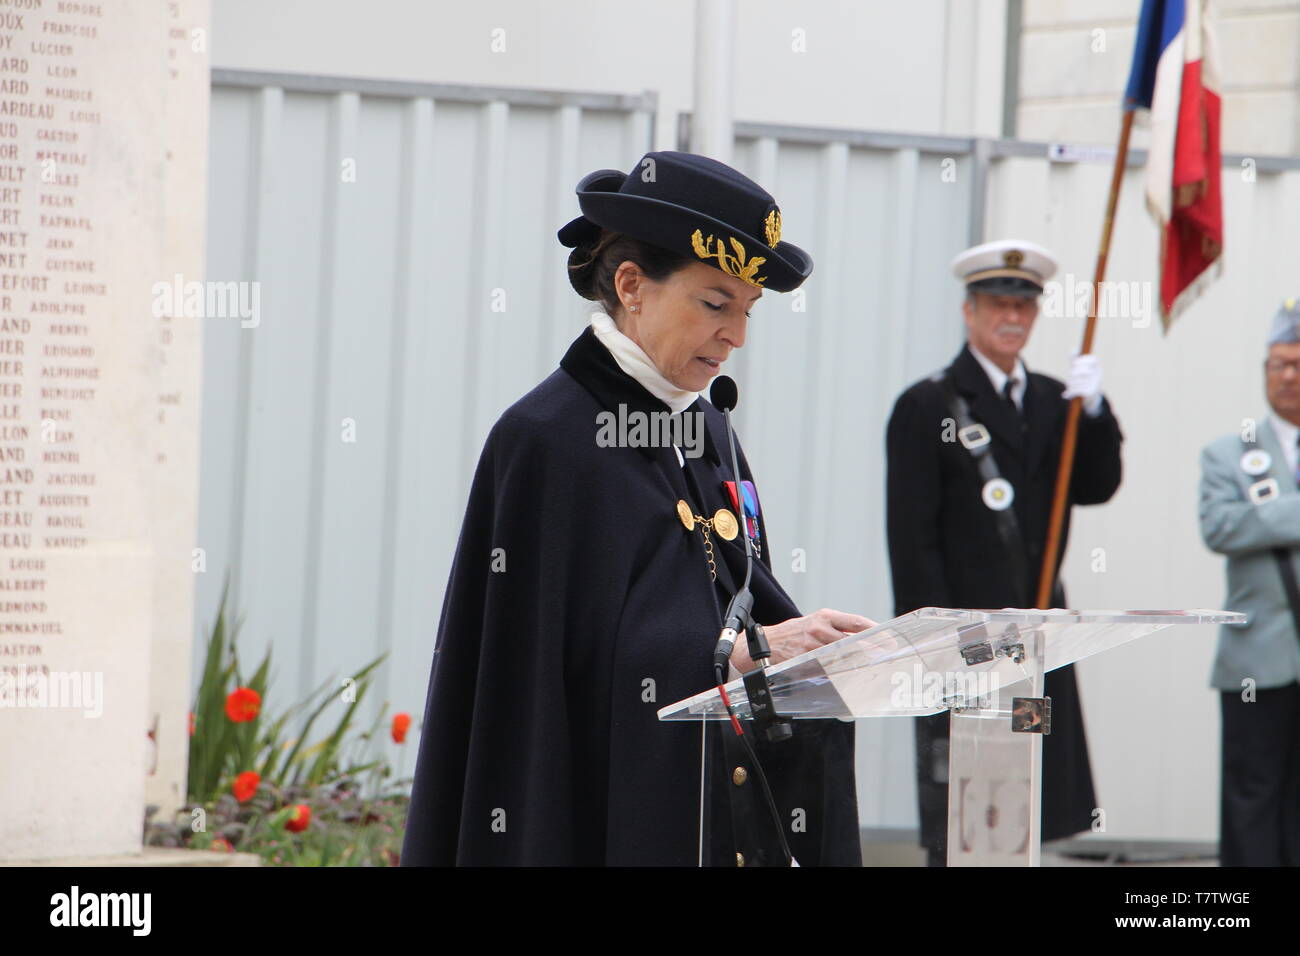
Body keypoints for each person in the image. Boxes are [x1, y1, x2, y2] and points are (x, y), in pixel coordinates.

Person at [400, 150, 872, 866]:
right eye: (716, 304)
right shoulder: (544, 439)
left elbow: (739, 597)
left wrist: (803, 645)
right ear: (632, 287)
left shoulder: (708, 428)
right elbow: (540, 687)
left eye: (748, 311)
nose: (736, 337)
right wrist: (732, 656)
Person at [884, 239, 1124, 866]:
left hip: (1041, 626)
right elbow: (913, 543)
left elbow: (1095, 486)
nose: (1012, 318)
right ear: (970, 311)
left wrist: (1096, 413)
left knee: (1028, 802)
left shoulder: (1053, 400)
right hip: (967, 637)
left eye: (1024, 306)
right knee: (968, 807)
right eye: (997, 304)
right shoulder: (927, 405)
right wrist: (935, 643)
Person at [1198, 299, 1300, 866]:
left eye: (1297, 363)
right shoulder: (1230, 454)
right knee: (1251, 800)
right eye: (1276, 364)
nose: (1287, 375)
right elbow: (1220, 527)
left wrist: (1272, 516)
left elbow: (1250, 522)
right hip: (1256, 658)